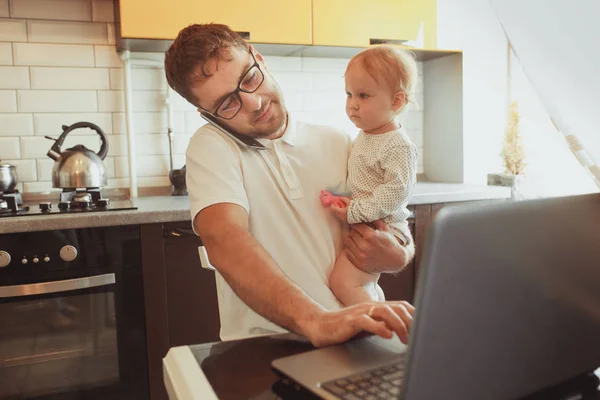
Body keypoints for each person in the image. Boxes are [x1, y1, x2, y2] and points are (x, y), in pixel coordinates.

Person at [164, 23, 416, 347]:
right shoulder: (212, 147)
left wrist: (400, 253)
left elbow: (391, 212)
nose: (253, 102)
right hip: (269, 348)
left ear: (259, 58)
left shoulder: (338, 141)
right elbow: (225, 239)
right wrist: (317, 321)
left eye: (250, 78)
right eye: (228, 103)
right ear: (207, 115)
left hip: (363, 334)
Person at [322, 46, 419, 306]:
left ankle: (378, 328)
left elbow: (395, 193)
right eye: (349, 94)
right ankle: (376, 313)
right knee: (360, 285)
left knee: (343, 282)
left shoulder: (398, 144)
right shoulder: (369, 133)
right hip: (368, 222)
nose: (352, 104)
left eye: (363, 95)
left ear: (396, 101)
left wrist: (355, 211)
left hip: (386, 229)